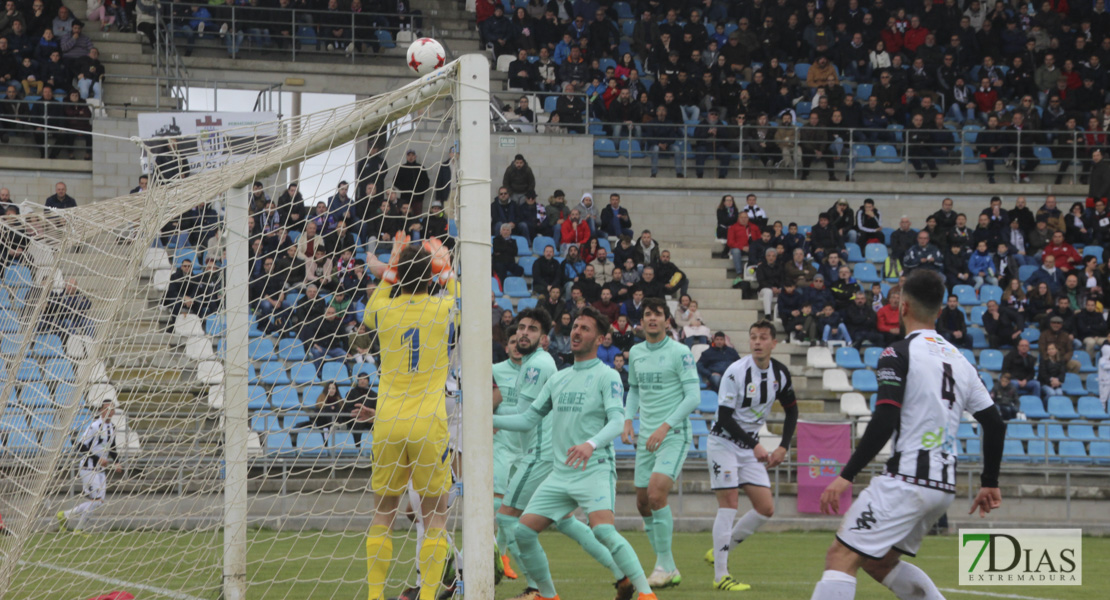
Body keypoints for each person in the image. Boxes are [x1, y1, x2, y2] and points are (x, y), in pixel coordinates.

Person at [808, 269, 1005, 600]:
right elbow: (996, 424)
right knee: (879, 562)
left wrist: (847, 475)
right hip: (941, 486)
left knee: (840, 557)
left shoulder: (897, 353)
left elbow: (886, 418)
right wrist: (989, 481)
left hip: (907, 480)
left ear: (903, 307)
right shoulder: (961, 361)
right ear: (940, 311)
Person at [494, 307, 658, 600]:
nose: (577, 332)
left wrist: (590, 444)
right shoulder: (559, 378)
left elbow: (618, 421)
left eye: (585, 328)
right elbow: (527, 419)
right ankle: (546, 594)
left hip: (593, 468)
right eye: (575, 327)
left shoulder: (607, 376)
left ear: (600, 339)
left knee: (604, 532)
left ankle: (646, 594)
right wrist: (485, 420)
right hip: (560, 473)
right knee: (523, 531)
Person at [353, 240, 458, 600]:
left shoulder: (383, 307)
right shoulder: (444, 306)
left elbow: (368, 315)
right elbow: (456, 293)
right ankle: (428, 596)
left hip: (388, 421)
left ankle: (375, 595)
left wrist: (392, 264)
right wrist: (445, 266)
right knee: (435, 518)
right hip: (429, 421)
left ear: (397, 275)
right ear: (431, 275)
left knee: (383, 513)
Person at [707, 320, 799, 592]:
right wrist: (756, 445)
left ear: (773, 343)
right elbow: (724, 418)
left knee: (765, 508)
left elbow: (792, 410)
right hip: (723, 442)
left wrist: (783, 446)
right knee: (730, 504)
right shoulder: (735, 372)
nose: (757, 342)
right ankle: (720, 575)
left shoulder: (780, 374)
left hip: (749, 446)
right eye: (753, 338)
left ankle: (719, 550)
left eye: (763, 338)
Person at [620, 298, 700, 588]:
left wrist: (665, 427)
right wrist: (628, 419)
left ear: (668, 320)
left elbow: (694, 397)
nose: (652, 318)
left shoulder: (680, 353)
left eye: (658, 314)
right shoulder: (637, 352)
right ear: (641, 321)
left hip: (673, 435)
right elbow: (634, 390)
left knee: (655, 495)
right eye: (647, 314)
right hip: (646, 437)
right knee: (642, 503)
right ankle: (668, 566)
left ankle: (664, 565)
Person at [57, 400, 122, 534]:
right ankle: (78, 529)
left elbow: (112, 447)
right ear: (101, 411)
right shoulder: (94, 426)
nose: (109, 411)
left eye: (112, 409)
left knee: (99, 502)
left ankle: (65, 515)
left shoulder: (112, 428)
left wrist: (117, 462)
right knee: (96, 500)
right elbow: (80, 446)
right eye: (106, 408)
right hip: (88, 468)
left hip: (100, 470)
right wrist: (98, 459)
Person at [491, 325, 523, 581]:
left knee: (513, 509)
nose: (515, 345)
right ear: (507, 346)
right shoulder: (496, 371)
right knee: (499, 504)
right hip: (500, 445)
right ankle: (497, 556)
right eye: (512, 341)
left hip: (525, 448)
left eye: (519, 341)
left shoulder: (534, 373)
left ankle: (501, 556)